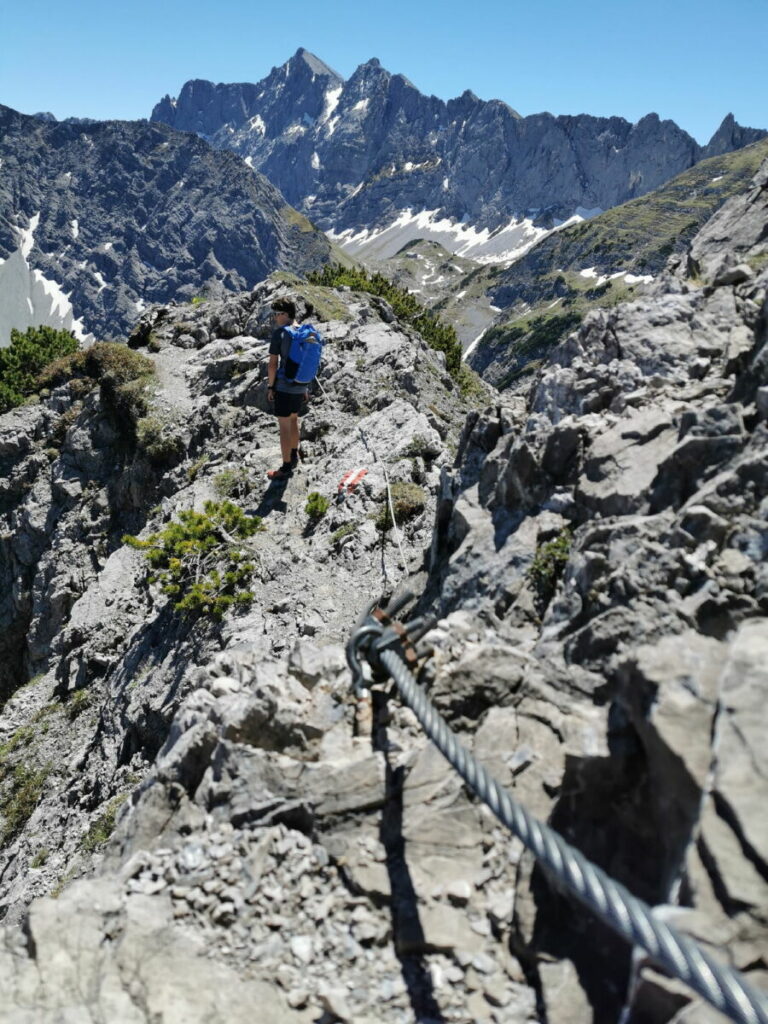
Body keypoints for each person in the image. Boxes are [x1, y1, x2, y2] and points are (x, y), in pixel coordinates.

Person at [266, 297, 309, 481]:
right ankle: (294, 453)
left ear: (285, 314)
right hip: (301, 385)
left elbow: (273, 364)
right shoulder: (305, 331)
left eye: (276, 314)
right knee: (294, 419)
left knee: (284, 426)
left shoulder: (280, 334)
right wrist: (305, 387)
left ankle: (285, 467)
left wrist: (270, 386)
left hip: (284, 386)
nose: (275, 318)